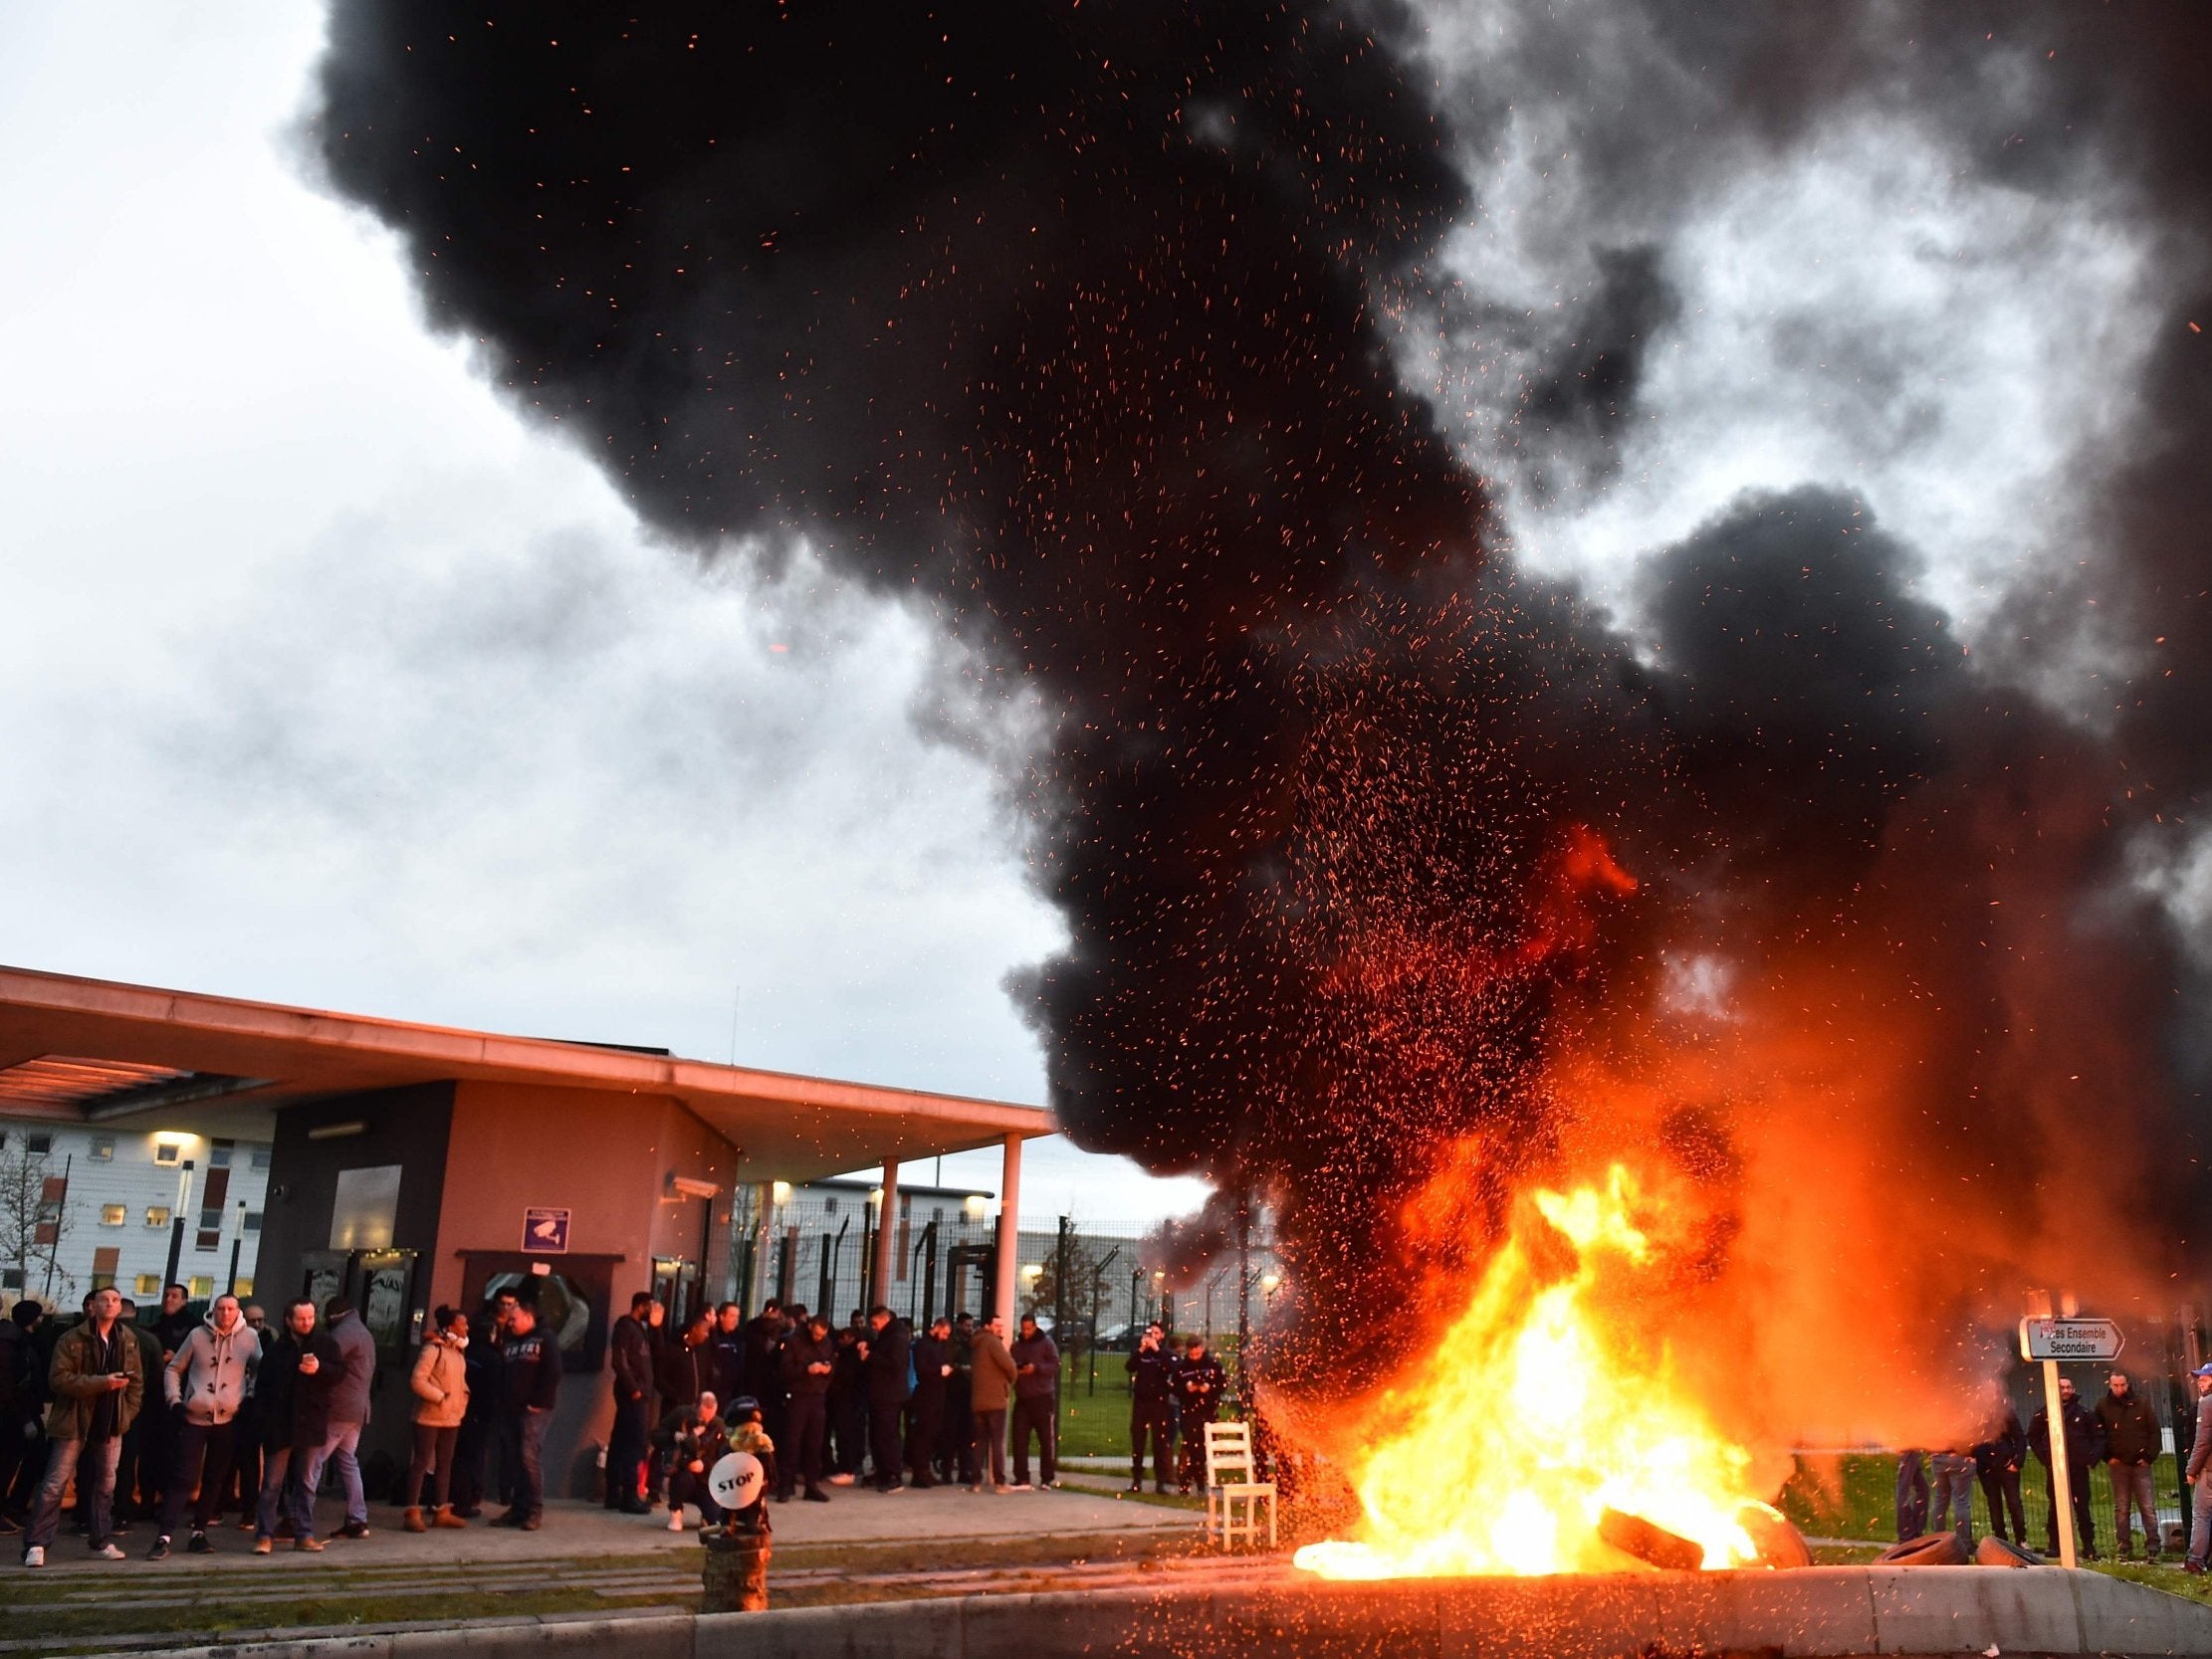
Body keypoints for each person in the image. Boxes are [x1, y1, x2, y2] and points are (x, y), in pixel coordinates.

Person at [19, 1286, 140, 1567]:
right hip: (74, 1419)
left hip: (110, 1421)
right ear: (92, 1307)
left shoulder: (128, 1339)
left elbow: (137, 1382)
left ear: (120, 1307)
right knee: (54, 1483)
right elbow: (59, 1380)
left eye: (115, 1300)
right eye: (104, 1300)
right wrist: (103, 1383)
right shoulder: (72, 1338)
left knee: (106, 1484)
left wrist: (127, 1414)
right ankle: (37, 1543)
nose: (110, 1304)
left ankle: (101, 1539)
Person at [151, 1292, 259, 1559]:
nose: (225, 1313)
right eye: (221, 1308)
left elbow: (261, 1369)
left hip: (228, 1418)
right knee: (184, 1476)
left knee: (216, 1476)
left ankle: (199, 1531)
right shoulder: (198, 1335)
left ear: (238, 1312)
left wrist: (249, 1397)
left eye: (230, 1309)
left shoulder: (249, 1338)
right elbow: (173, 1368)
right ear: (214, 1310)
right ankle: (164, 1534)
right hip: (194, 1415)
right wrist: (174, 1400)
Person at [250, 1299, 330, 1554]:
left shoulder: (324, 1345)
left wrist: (320, 1369)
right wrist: (264, 1423)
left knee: (306, 1482)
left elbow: (340, 1373)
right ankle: (265, 1533)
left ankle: (304, 1532)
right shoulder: (276, 1350)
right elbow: (263, 1389)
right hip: (281, 1425)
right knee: (273, 1484)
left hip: (310, 1423)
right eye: (301, 1318)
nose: (307, 1323)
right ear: (288, 1320)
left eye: (310, 1318)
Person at [295, 1298, 376, 1542]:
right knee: (348, 1462)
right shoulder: (362, 1331)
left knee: (312, 1463)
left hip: (338, 1410)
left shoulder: (342, 1334)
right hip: (358, 1409)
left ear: (333, 1315)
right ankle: (357, 1519)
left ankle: (298, 1521)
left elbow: (322, 1361)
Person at [491, 1301, 559, 1529]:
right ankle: (518, 1508)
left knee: (528, 1455)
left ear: (529, 1317)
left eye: (514, 1319)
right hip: (511, 1408)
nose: (510, 1323)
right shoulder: (510, 1341)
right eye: (509, 1319)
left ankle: (534, 1510)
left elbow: (553, 1371)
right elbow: (503, 1370)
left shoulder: (544, 1338)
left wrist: (539, 1401)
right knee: (514, 1458)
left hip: (534, 1409)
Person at [404, 1306, 471, 1533]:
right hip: (429, 1417)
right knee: (421, 1462)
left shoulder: (457, 1352)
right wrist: (440, 1397)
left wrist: (462, 1399)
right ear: (452, 1326)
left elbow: (459, 1382)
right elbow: (417, 1380)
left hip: (452, 1417)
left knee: (445, 1464)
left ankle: (442, 1510)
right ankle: (412, 1510)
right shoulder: (433, 1349)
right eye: (463, 1323)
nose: (467, 1327)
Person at [2030, 1375, 2101, 1559]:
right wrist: (2045, 1457)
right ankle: (2054, 1545)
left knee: (2082, 1508)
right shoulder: (2044, 1414)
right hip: (2055, 1468)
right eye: (2062, 1388)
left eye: (2069, 1387)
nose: (2066, 1391)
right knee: (2055, 1507)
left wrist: (2090, 1458)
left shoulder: (2084, 1414)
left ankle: (2088, 1546)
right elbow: (2033, 1436)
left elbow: (2098, 1437)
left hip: (2078, 1468)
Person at [2097, 1368, 2163, 1560]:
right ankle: (2124, 1546)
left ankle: (2153, 1546)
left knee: (2147, 1507)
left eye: (2122, 1385)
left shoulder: (2141, 1403)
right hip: (2118, 1464)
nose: (2119, 1388)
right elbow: (2098, 1434)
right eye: (2116, 1385)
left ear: (2128, 1384)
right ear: (2110, 1385)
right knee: (2122, 1507)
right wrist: (2107, 1456)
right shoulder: (2103, 1406)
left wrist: (2149, 1457)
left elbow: (2154, 1432)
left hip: (2140, 1464)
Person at [605, 1292, 659, 1516]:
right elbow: (620, 1360)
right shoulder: (626, 1327)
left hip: (639, 1393)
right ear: (641, 1306)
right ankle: (628, 1494)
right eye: (650, 1307)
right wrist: (634, 1389)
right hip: (633, 1395)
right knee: (632, 1443)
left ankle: (615, 1492)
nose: (652, 1311)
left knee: (622, 1441)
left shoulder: (640, 1329)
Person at [779, 1311, 835, 1502]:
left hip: (817, 1396)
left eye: (823, 1335)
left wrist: (827, 1371)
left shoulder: (827, 1344)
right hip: (798, 1395)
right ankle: (785, 1485)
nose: (819, 1338)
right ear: (811, 1326)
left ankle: (812, 1485)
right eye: (817, 1334)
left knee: (814, 1442)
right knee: (792, 1441)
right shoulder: (794, 1341)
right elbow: (785, 1370)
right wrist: (806, 1370)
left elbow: (833, 1366)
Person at [660, 1389, 733, 1530]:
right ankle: (676, 1510)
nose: (705, 1420)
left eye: (710, 1416)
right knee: (683, 1478)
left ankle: (707, 1515)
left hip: (706, 1481)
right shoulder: (682, 1416)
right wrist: (677, 1436)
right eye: (702, 1415)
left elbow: (724, 1459)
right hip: (682, 1474)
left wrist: (705, 1465)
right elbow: (658, 1435)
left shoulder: (719, 1426)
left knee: (716, 1518)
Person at [0, 1301, 43, 1532]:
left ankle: (10, 1506)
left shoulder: (14, 1341)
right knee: (9, 1461)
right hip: (15, 1413)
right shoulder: (13, 1343)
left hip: (17, 1412)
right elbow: (10, 1384)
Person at [859, 1306, 911, 1492]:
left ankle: (893, 1474)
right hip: (882, 1393)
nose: (874, 1327)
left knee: (888, 1435)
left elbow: (895, 1364)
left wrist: (871, 1356)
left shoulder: (897, 1337)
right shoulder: (889, 1335)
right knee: (878, 1434)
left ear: (884, 1319)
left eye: (875, 1323)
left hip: (890, 1394)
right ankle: (882, 1470)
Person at [1008, 1313, 1059, 1491]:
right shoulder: (1016, 1346)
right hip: (1023, 1398)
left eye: (1029, 1329)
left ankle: (1046, 1477)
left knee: (1045, 1439)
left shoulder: (1047, 1344)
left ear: (1035, 1327)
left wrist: (1037, 1368)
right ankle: (1022, 1477)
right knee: (1019, 1438)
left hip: (1042, 1397)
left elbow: (1054, 1364)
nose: (1026, 1332)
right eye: (1023, 1329)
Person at [227, 1303, 267, 1531]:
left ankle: (248, 1508)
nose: (258, 1324)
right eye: (253, 1321)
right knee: (230, 1458)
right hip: (234, 1401)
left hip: (251, 1405)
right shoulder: (245, 1340)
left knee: (248, 1460)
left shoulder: (263, 1341)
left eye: (261, 1319)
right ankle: (228, 1501)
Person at [1171, 1337, 1226, 1494]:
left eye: (1197, 1353)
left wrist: (1210, 1387)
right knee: (1192, 1446)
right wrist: (1186, 1388)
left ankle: (1189, 1478)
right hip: (1189, 1412)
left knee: (1205, 1447)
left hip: (1208, 1411)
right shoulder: (1182, 1367)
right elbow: (1174, 1387)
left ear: (1202, 1348)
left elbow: (1223, 1384)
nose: (1195, 1357)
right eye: (1192, 1354)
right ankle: (1196, 1481)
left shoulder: (1213, 1365)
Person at [970, 1313, 1016, 1493]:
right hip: (995, 1400)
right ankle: (999, 1482)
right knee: (997, 1443)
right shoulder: (992, 1343)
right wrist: (1012, 1378)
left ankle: (976, 1482)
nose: (1000, 1329)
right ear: (988, 1326)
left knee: (979, 1442)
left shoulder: (977, 1343)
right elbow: (1009, 1366)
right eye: (997, 1325)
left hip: (978, 1401)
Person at [1126, 1322, 1175, 1495]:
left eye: (1156, 1332)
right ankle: (1136, 1480)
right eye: (1150, 1332)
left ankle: (1160, 1482)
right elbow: (1129, 1367)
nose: (1152, 1335)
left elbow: (1172, 1367)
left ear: (1161, 1335)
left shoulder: (1165, 1354)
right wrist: (1140, 1350)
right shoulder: (1142, 1354)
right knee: (1138, 1441)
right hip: (1141, 1403)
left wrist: (1157, 1350)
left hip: (1158, 1404)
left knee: (1158, 1443)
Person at [1971, 1398, 2028, 1546]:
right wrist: (1972, 1456)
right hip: (1986, 1469)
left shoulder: (2006, 1414)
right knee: (1994, 1504)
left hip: (2007, 1467)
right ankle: (2000, 1540)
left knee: (2014, 1503)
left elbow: (2020, 1439)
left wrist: (2016, 1462)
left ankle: (2021, 1539)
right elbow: (1970, 1440)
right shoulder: (1975, 1415)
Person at [907, 1316, 953, 1490]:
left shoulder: (937, 1345)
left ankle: (924, 1470)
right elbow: (921, 1369)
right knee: (923, 1435)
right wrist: (939, 1371)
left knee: (931, 1434)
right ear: (937, 1327)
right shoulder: (923, 1344)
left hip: (937, 1395)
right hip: (926, 1395)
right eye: (944, 1333)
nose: (945, 1337)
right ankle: (919, 1473)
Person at [938, 1312, 979, 1488]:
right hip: (953, 1392)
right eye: (967, 1326)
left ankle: (964, 1470)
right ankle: (947, 1471)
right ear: (960, 1325)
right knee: (951, 1434)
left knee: (966, 1434)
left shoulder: (972, 1342)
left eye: (971, 1326)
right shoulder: (952, 1342)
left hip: (967, 1392)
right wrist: (962, 1368)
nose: (970, 1329)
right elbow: (948, 1363)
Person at [827, 1319, 868, 1484]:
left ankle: (847, 1468)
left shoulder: (848, 1356)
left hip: (847, 1400)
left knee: (846, 1435)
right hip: (852, 1400)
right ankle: (851, 1466)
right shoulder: (856, 1354)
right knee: (850, 1434)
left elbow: (846, 1377)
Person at [2185, 1362, 2212, 1574]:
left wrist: (2191, 1469)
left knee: (2202, 1515)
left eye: (2204, 1378)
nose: (2199, 1382)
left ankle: (2195, 1560)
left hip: (2209, 1470)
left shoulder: (2207, 1402)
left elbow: (2203, 1440)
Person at [1926, 1444, 1976, 1546]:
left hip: (1938, 1457)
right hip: (1960, 1457)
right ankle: (1964, 1543)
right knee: (1961, 1502)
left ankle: (1937, 1540)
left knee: (1940, 1500)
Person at [1892, 1447, 1927, 1542]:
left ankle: (1916, 1531)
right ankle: (1906, 1535)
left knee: (1923, 1489)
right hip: (1908, 1449)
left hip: (1911, 1449)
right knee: (1903, 1491)